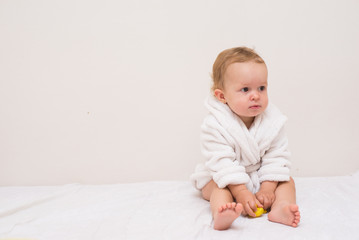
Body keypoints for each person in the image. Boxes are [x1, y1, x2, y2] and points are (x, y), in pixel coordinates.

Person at [190, 47, 300, 230]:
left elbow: (277, 156)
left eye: (261, 88)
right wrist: (240, 191)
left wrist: (268, 188)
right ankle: (221, 213)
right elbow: (221, 162)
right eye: (245, 89)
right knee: (219, 188)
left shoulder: (272, 121)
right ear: (222, 96)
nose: (256, 95)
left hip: (258, 176)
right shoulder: (215, 124)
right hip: (223, 176)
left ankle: (280, 208)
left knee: (287, 181)